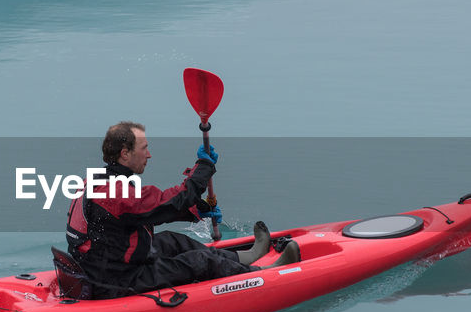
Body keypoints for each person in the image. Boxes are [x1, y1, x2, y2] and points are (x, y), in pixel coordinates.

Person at [65, 121, 299, 299]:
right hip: (115, 281)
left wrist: (196, 210)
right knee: (198, 261)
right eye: (144, 148)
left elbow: (142, 214)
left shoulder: (100, 181)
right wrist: (203, 168)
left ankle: (246, 257)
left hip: (104, 266)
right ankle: (262, 275)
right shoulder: (115, 192)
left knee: (173, 242)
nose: (149, 154)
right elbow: (169, 201)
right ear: (125, 153)